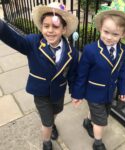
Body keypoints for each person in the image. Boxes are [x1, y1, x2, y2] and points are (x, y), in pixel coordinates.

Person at [0, 2, 78, 150]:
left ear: (64, 29)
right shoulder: (32, 43)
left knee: (56, 112)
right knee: (46, 122)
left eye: (55, 26)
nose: (50, 30)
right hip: (40, 92)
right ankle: (46, 141)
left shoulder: (71, 52)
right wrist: (1, 27)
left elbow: (73, 74)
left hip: (58, 92)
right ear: (41, 27)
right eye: (46, 26)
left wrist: (75, 93)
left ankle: (52, 123)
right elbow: (13, 39)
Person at [72, 0, 125, 150]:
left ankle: (87, 122)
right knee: (101, 120)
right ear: (100, 28)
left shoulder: (122, 49)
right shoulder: (90, 50)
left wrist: (123, 89)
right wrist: (77, 94)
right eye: (106, 32)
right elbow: (81, 74)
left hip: (109, 92)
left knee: (101, 113)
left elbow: (122, 69)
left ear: (123, 34)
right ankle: (98, 143)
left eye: (115, 34)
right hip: (93, 92)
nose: (109, 37)